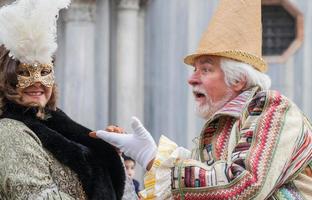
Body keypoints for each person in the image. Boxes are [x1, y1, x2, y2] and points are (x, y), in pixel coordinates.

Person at [90, 0, 312, 199]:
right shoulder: (219, 127)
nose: (191, 79)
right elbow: (204, 177)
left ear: (238, 80)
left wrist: (156, 161)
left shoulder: (272, 109)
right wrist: (151, 155)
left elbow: (243, 184)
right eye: (194, 69)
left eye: (205, 69)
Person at [0, 0, 127, 199]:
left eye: (44, 72)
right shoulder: (9, 132)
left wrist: (108, 152)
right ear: (8, 80)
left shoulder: (58, 123)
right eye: (24, 73)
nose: (37, 82)